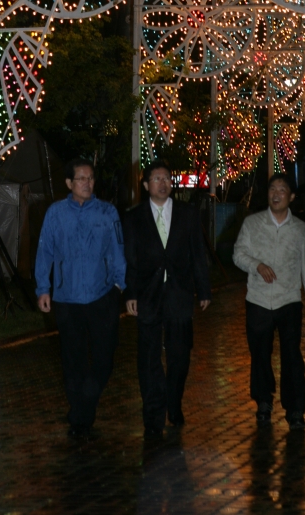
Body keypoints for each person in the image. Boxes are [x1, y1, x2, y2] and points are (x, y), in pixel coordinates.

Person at [35, 159, 126, 438]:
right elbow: (45, 252)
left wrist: (120, 286)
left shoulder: (107, 212)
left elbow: (117, 251)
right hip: (67, 298)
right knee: (73, 361)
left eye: (91, 178)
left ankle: (83, 405)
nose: (87, 183)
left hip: (101, 297)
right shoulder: (55, 213)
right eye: (81, 179)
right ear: (69, 184)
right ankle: (81, 417)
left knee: (103, 361)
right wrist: (43, 288)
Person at [124, 161, 211, 440]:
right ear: (147, 184)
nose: (162, 182)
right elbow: (131, 259)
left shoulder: (187, 214)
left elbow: (198, 253)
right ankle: (153, 415)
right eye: (156, 178)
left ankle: (174, 404)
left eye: (166, 177)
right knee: (148, 359)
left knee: (180, 356)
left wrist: (204, 289)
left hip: (179, 294)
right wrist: (130, 293)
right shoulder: (134, 217)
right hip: (147, 296)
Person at [233, 172, 305, 431]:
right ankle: (263, 400)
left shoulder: (300, 230)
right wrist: (257, 265)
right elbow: (238, 254)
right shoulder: (253, 224)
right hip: (258, 299)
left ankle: (295, 409)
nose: (276, 194)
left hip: (289, 300)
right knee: (259, 353)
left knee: (292, 355)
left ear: (291, 197)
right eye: (273, 189)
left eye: (282, 190)